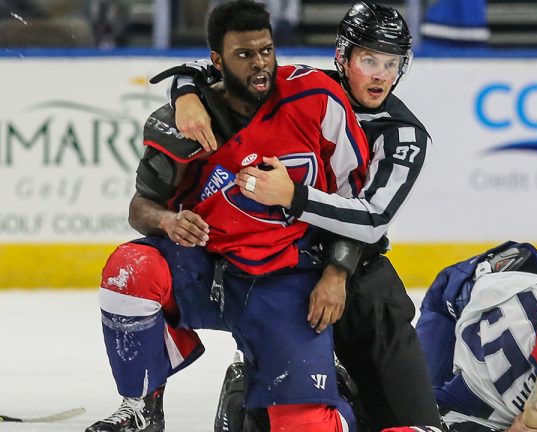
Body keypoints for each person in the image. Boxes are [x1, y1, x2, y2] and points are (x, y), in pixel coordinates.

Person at [85, 2, 370, 431]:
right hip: (207, 271)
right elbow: (140, 207)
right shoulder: (186, 121)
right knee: (130, 270)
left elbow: (357, 202)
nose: (260, 65)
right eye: (244, 55)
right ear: (217, 61)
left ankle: (333, 397)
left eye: (267, 51)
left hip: (287, 277)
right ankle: (141, 406)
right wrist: (166, 222)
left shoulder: (316, 99)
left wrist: (337, 273)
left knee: (306, 425)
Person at [163, 2, 442, 430]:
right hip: (285, 280)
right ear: (343, 57)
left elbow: (371, 219)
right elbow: (228, 69)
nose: (381, 74)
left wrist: (298, 204)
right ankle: (246, 395)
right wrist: (184, 92)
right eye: (369, 60)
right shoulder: (304, 89)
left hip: (363, 288)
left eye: (392, 63)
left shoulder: (402, 133)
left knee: (415, 424)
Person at [416, 241, 537, 432]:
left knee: (425, 413)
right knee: (416, 410)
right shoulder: (496, 382)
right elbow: (438, 412)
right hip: (460, 293)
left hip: (524, 278)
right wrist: (535, 410)